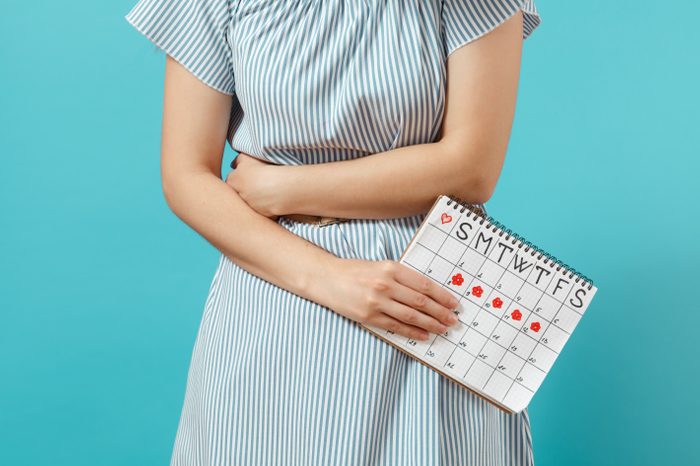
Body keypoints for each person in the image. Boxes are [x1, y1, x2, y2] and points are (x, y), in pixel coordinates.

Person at [124, 0, 542, 464]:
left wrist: (285, 188)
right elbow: (185, 176)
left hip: (429, 302)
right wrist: (331, 278)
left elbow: (471, 168)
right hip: (274, 296)